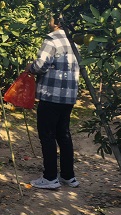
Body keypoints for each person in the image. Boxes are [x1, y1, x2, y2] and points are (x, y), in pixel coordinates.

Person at [27, 15, 81, 190]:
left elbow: (40, 65)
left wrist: (30, 67)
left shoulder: (52, 39)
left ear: (56, 22)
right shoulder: (74, 41)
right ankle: (68, 176)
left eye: (50, 18)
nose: (48, 21)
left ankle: (50, 177)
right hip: (69, 96)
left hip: (51, 95)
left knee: (47, 135)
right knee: (63, 134)